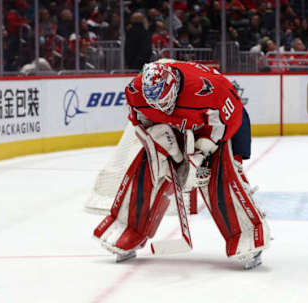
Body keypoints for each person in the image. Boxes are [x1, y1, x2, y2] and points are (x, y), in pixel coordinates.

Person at [93, 60, 271, 269]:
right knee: (149, 168)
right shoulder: (135, 91)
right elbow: (143, 126)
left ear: (174, 85)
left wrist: (200, 155)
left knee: (221, 177)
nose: (161, 107)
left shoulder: (210, 89)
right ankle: (127, 229)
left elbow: (225, 124)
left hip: (220, 127)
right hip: (173, 127)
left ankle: (248, 234)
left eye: (164, 100)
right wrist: (170, 153)